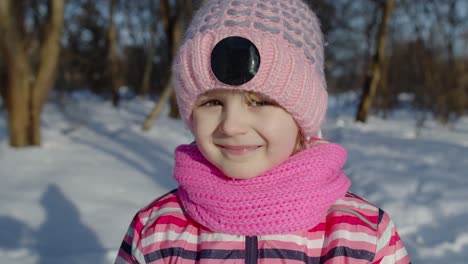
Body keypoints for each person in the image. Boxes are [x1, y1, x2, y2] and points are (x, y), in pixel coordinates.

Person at [115, 0, 411, 263]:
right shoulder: (157, 231)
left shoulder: (364, 236)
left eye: (259, 102)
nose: (232, 126)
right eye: (213, 101)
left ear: (301, 116)